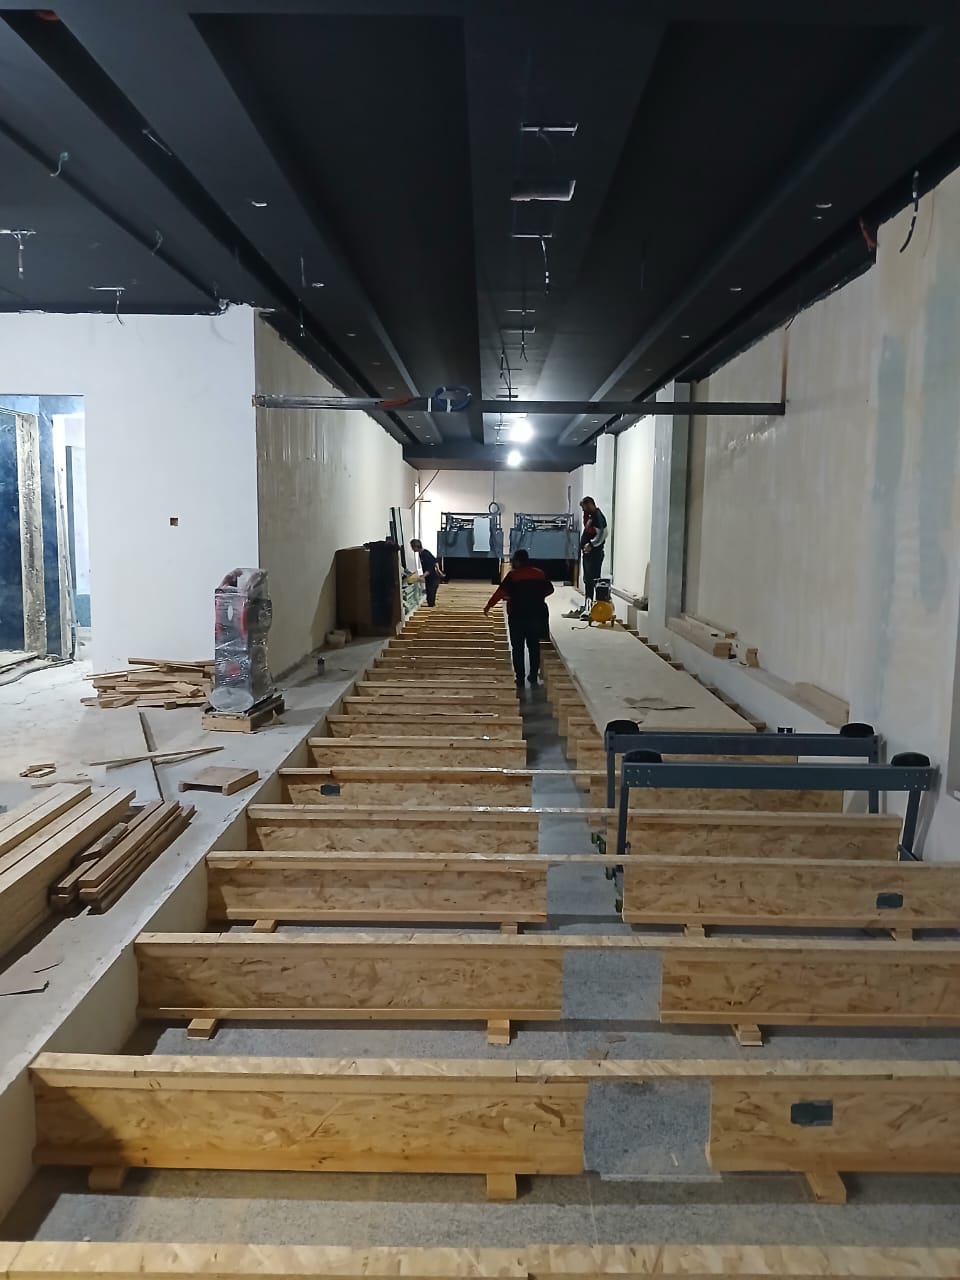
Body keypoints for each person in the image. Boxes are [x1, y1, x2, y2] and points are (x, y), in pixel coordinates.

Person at [483, 549, 554, 686]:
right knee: (534, 646)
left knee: (518, 647)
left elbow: (500, 593)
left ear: (517, 561)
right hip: (535, 616)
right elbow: (550, 589)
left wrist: (488, 606)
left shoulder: (513, 576)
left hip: (517, 616)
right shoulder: (539, 573)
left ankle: (520, 678)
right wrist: (537, 597)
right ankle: (533, 675)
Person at [579, 496, 608, 619]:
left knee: (593, 580)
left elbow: (603, 534)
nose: (583, 510)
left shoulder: (598, 517)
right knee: (588, 580)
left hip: (594, 554)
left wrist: (591, 544)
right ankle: (588, 606)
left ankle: (595, 608)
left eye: (584, 507)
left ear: (590, 504)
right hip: (589, 554)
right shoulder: (591, 516)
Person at [410, 538, 444, 607]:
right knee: (429, 598)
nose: (412, 549)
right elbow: (435, 561)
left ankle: (432, 610)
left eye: (412, 547)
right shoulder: (421, 554)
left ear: (416, 547)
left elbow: (430, 569)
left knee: (431, 599)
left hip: (433, 578)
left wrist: (422, 576)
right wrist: (439, 571)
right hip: (429, 578)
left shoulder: (426, 554)